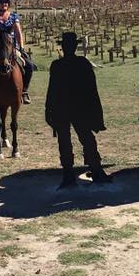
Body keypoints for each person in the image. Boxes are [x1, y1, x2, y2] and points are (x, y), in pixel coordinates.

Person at [46, 32, 112, 189]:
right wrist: (49, 110)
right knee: (76, 140)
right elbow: (53, 90)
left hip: (72, 108)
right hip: (73, 108)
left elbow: (90, 89)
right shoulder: (75, 64)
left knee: (77, 140)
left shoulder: (72, 64)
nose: (69, 47)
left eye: (70, 45)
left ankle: (86, 171)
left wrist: (48, 110)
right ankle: (81, 172)